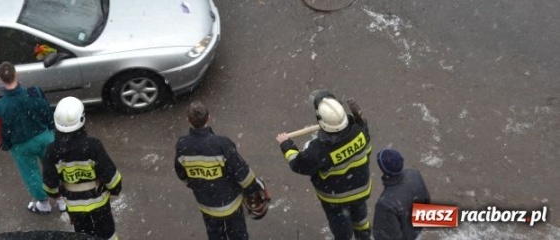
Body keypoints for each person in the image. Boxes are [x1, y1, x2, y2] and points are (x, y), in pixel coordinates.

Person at [275, 91, 372, 240]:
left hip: (335, 199)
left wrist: (287, 145)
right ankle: (364, 235)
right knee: (360, 218)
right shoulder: (359, 132)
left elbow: (298, 164)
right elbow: (367, 148)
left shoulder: (319, 150)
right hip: (361, 189)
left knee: (341, 228)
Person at [175, 101, 270, 240]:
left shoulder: (182, 144)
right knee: (237, 234)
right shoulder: (221, 144)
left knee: (215, 235)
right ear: (208, 117)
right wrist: (253, 190)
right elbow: (242, 173)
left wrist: (194, 184)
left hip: (206, 205)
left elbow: (181, 173)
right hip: (231, 204)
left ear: (188, 120)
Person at [43, 97, 122, 240]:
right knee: (107, 234)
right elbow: (110, 176)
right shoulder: (93, 146)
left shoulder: (52, 150)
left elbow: (50, 184)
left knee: (83, 236)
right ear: (82, 119)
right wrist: (115, 189)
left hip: (74, 207)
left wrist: (56, 193)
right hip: (100, 205)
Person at [0, 61, 63, 216]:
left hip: (21, 146)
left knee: (31, 173)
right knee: (53, 167)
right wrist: (52, 129)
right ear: (16, 73)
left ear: (0, 78)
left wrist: (5, 144)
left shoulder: (0, 107)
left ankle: (43, 204)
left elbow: (1, 131)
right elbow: (47, 112)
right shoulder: (34, 92)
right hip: (45, 138)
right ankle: (61, 200)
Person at [372, 149, 431, 240]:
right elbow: (426, 200)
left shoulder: (385, 204)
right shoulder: (414, 174)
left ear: (383, 169)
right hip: (415, 233)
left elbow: (385, 236)